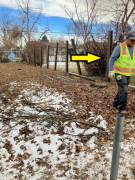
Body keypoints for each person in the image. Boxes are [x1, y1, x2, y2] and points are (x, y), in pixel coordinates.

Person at [108, 30, 135, 114]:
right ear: (126, 39)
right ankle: (122, 108)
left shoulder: (134, 48)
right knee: (124, 90)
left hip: (128, 73)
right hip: (119, 73)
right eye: (131, 40)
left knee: (122, 89)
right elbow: (112, 59)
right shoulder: (120, 47)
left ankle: (115, 103)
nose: (133, 42)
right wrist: (111, 71)